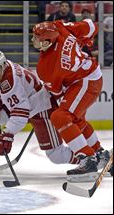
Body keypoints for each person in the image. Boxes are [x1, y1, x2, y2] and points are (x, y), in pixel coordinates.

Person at [0, 50, 81, 173]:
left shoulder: (10, 81)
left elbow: (20, 113)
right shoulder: (7, 67)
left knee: (56, 154)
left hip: (42, 108)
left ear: (3, 65)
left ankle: (88, 159)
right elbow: (20, 103)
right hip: (29, 103)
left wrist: (7, 134)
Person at [31, 19, 111, 181]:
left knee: (60, 116)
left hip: (87, 80)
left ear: (46, 42)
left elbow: (57, 92)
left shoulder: (45, 67)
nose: (32, 40)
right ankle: (100, 154)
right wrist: (86, 40)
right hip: (87, 74)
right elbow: (91, 25)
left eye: (36, 37)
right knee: (76, 120)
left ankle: (87, 160)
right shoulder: (60, 28)